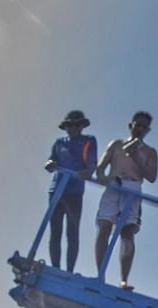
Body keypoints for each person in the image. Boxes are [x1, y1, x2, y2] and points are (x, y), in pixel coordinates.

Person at [93, 111, 158, 290]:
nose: (140, 129)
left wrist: (136, 156)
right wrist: (102, 176)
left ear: (148, 130)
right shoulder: (116, 144)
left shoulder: (150, 152)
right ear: (131, 125)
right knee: (104, 228)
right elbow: (101, 166)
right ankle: (101, 275)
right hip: (114, 185)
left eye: (144, 127)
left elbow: (152, 176)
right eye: (138, 125)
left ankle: (123, 280)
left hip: (133, 189)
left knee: (127, 233)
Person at [43, 110, 97, 273]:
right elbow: (51, 161)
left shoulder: (88, 141)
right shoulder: (59, 143)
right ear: (66, 127)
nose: (73, 128)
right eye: (70, 125)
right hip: (57, 191)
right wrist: (50, 164)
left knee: (72, 233)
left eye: (77, 125)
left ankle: (69, 270)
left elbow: (92, 163)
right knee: (55, 232)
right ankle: (56, 268)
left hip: (74, 193)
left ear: (82, 126)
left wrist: (88, 172)